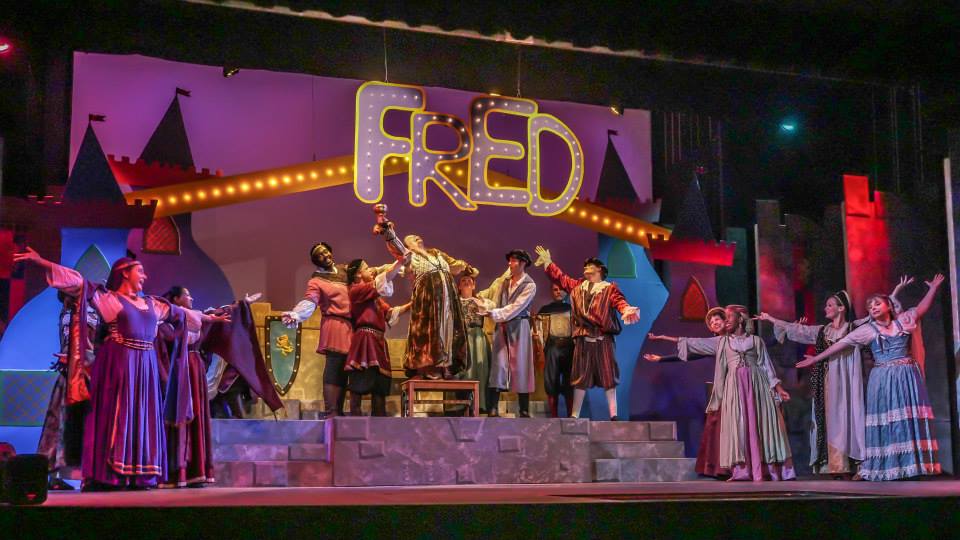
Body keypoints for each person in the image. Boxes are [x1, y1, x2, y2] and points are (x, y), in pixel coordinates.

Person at [13, 247, 192, 490]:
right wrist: (41, 261)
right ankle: (102, 475)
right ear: (124, 273)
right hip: (118, 366)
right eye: (140, 270)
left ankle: (139, 474)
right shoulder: (108, 300)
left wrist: (214, 318)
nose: (145, 276)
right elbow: (76, 282)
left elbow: (184, 316)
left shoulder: (152, 304)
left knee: (142, 417)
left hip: (145, 370)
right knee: (109, 419)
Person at [796, 274, 945, 481]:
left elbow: (921, 309)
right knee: (888, 420)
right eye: (870, 307)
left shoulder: (904, 321)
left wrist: (933, 288)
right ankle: (889, 466)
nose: (873, 308)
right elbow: (841, 344)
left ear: (889, 306)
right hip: (882, 378)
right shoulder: (867, 330)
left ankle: (911, 465)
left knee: (907, 419)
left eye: (877, 304)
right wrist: (816, 358)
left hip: (906, 377)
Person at [758, 279, 909, 478]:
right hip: (829, 381)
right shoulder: (822, 331)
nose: (825, 308)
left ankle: (857, 465)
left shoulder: (855, 327)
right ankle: (835, 465)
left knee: (852, 418)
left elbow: (878, 313)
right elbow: (797, 330)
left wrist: (895, 291)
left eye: (830, 305)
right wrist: (771, 319)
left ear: (841, 308)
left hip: (850, 380)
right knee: (831, 420)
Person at [669, 305, 795, 481]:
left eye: (728, 317)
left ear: (740, 319)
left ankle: (767, 469)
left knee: (761, 425)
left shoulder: (756, 341)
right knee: (739, 426)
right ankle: (742, 470)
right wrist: (718, 398)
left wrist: (778, 388)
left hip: (757, 385)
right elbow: (720, 371)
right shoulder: (723, 342)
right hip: (734, 387)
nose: (725, 320)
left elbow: (766, 365)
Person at [534, 246, 641, 420]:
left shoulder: (609, 289)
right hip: (583, 339)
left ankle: (614, 414)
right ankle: (574, 414)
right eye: (585, 266)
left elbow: (619, 302)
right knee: (580, 378)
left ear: (599, 270)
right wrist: (548, 262)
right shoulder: (578, 287)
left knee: (608, 376)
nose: (586, 268)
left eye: (590, 265)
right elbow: (561, 278)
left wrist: (626, 309)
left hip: (603, 338)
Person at [156, 286, 232, 488]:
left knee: (197, 417)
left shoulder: (194, 319)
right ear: (176, 299)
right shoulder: (165, 325)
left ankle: (197, 471)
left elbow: (212, 315)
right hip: (178, 372)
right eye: (187, 295)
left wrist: (240, 306)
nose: (191, 298)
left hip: (194, 371)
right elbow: (163, 354)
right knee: (179, 419)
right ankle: (177, 471)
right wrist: (166, 382)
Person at [645, 306, 727, 477]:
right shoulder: (715, 343)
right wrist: (661, 358)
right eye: (712, 322)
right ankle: (720, 466)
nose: (714, 323)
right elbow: (691, 347)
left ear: (726, 321)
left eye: (717, 319)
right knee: (719, 425)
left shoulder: (740, 340)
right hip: (725, 386)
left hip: (743, 383)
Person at [36, 291, 98, 490]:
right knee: (58, 422)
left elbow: (91, 345)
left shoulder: (88, 312)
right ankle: (50, 474)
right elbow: (72, 345)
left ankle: (89, 474)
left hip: (86, 373)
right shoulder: (69, 314)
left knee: (79, 423)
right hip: (73, 374)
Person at [282, 242, 351, 417]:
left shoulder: (345, 271)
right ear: (315, 261)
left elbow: (367, 273)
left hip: (350, 326)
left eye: (326, 251)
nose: (325, 256)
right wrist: (296, 314)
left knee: (345, 369)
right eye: (320, 255)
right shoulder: (316, 281)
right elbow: (310, 300)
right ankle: (331, 411)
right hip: (334, 324)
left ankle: (339, 411)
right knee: (335, 366)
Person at [398, 234, 473, 379]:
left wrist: (467, 267)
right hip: (427, 298)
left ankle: (446, 365)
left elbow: (455, 264)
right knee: (429, 330)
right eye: (412, 238)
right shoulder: (410, 256)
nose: (417, 237)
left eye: (418, 236)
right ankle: (429, 367)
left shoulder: (436, 253)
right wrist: (387, 230)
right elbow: (396, 246)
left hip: (447, 298)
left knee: (448, 328)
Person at [475, 250, 537, 418]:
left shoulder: (529, 285)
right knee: (499, 364)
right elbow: (496, 302)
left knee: (521, 364)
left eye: (513, 261)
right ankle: (493, 407)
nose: (510, 264)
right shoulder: (504, 282)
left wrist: (494, 314)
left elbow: (515, 308)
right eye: (509, 260)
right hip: (503, 326)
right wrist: (484, 305)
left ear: (523, 263)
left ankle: (523, 408)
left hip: (520, 326)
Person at [344, 257, 409, 416]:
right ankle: (354, 425)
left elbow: (390, 313)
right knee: (358, 385)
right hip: (365, 340)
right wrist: (399, 262)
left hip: (379, 342)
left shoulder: (375, 298)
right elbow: (383, 278)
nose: (371, 269)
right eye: (366, 268)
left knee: (379, 388)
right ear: (358, 274)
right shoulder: (355, 290)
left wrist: (413, 303)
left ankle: (379, 426)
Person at [535, 283, 576, 418]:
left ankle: (571, 416)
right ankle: (554, 415)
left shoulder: (573, 309)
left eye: (561, 289)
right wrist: (540, 348)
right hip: (552, 347)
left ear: (567, 291)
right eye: (555, 289)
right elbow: (538, 330)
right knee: (551, 380)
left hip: (570, 347)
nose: (558, 292)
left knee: (570, 381)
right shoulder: (545, 310)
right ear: (551, 292)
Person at [457, 272, 492, 413]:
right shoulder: (454, 302)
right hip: (460, 338)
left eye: (469, 280)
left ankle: (479, 404)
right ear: (459, 286)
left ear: (474, 285)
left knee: (479, 368)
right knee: (462, 370)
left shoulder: (480, 301)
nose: (466, 282)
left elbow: (490, 308)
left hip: (477, 338)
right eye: (463, 280)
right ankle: (460, 404)